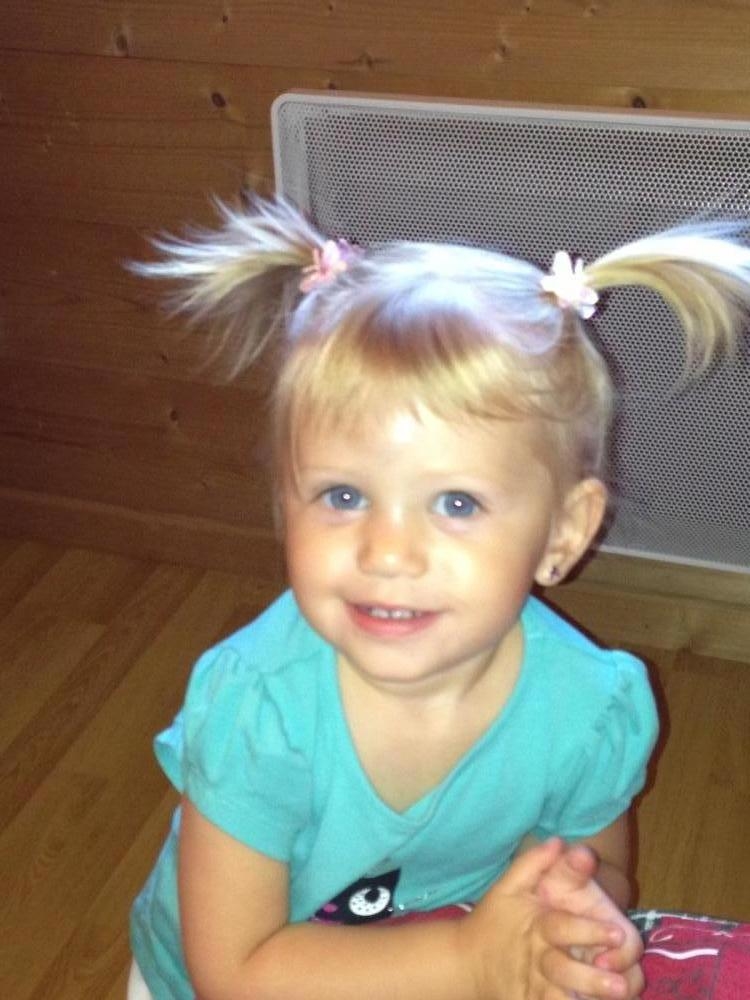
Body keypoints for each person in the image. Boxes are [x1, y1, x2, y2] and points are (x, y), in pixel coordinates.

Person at [127, 197, 750, 1000]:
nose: (387, 552)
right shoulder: (258, 708)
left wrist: (570, 924)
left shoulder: (589, 710)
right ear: (284, 503)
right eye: (344, 495)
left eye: (456, 503)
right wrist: (468, 959)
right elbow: (235, 972)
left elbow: (602, 869)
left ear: (564, 533)